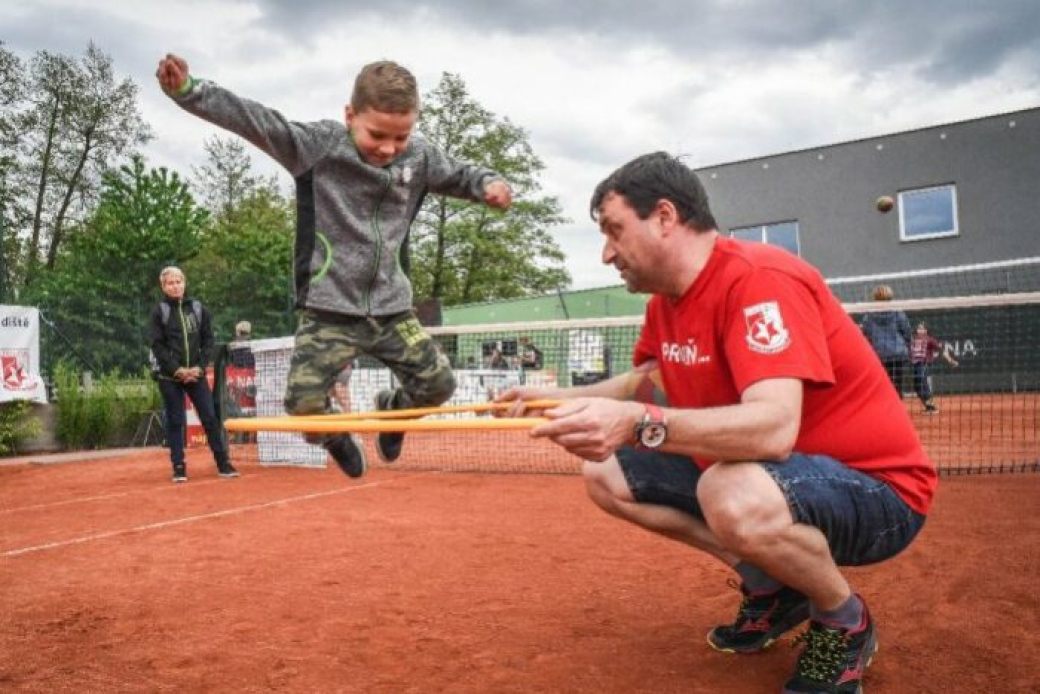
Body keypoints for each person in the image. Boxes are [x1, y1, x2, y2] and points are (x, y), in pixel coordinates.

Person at [498, 153, 936, 693]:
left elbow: (773, 430)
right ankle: (773, 585)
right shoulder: (665, 302)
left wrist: (639, 423)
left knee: (728, 488)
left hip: (879, 493)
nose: (607, 252)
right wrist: (555, 398)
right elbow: (646, 383)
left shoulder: (760, 280)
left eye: (614, 231)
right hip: (774, 480)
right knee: (606, 473)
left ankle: (843, 619)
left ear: (664, 216)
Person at [156, 54, 512, 478]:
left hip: (392, 310)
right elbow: (257, 121)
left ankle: (390, 412)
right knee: (303, 405)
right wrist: (188, 91)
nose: (388, 149)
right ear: (350, 116)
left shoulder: (419, 157)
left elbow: (463, 173)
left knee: (438, 385)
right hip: (328, 312)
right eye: (377, 134)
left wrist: (491, 184)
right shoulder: (320, 147)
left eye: (400, 137)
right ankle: (336, 437)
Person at [148, 266, 239, 482]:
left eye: (178, 281)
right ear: (163, 286)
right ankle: (179, 466)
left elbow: (208, 341)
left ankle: (223, 463)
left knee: (209, 417)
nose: (175, 285)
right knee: (176, 420)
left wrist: (199, 367)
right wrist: (176, 370)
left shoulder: (198, 309)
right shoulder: (159, 312)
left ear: (184, 283)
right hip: (170, 377)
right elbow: (156, 345)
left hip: (196, 374)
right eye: (170, 282)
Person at [859, 285, 912, 395]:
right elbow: (906, 331)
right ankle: (897, 409)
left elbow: (865, 334)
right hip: (897, 354)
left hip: (880, 355)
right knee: (897, 386)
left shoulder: (869, 315)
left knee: (882, 387)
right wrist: (907, 345)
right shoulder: (897, 312)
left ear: (875, 297)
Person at [910, 322, 958, 413]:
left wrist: (950, 360)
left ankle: (932, 406)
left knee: (921, 379)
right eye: (918, 328)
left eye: (921, 328)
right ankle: (928, 406)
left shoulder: (930, 340)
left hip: (924, 363)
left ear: (926, 330)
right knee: (916, 386)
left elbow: (942, 350)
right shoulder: (913, 339)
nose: (919, 330)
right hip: (915, 365)